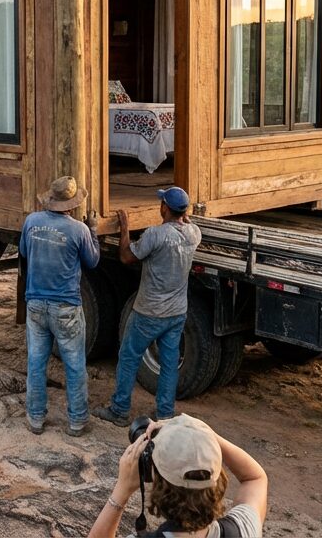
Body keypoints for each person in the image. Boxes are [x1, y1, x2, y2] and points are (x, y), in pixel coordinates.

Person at [93, 187, 202, 426]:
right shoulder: (194, 234)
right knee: (169, 363)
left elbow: (126, 257)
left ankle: (120, 410)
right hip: (176, 312)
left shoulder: (155, 235)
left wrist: (124, 228)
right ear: (184, 211)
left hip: (149, 311)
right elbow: (186, 221)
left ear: (164, 207)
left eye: (162, 203)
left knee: (129, 357)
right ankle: (165, 413)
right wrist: (183, 215)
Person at [89, 414, 268, 538]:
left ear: (156, 481)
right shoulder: (243, 529)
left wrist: (121, 491)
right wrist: (203, 433)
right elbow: (254, 478)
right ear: (217, 480)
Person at [19, 175, 100, 437]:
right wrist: (94, 230)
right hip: (66, 306)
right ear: (73, 205)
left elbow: (23, 251)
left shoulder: (32, 221)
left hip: (35, 304)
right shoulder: (79, 230)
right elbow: (93, 261)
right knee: (75, 364)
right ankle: (76, 421)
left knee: (36, 361)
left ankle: (35, 418)